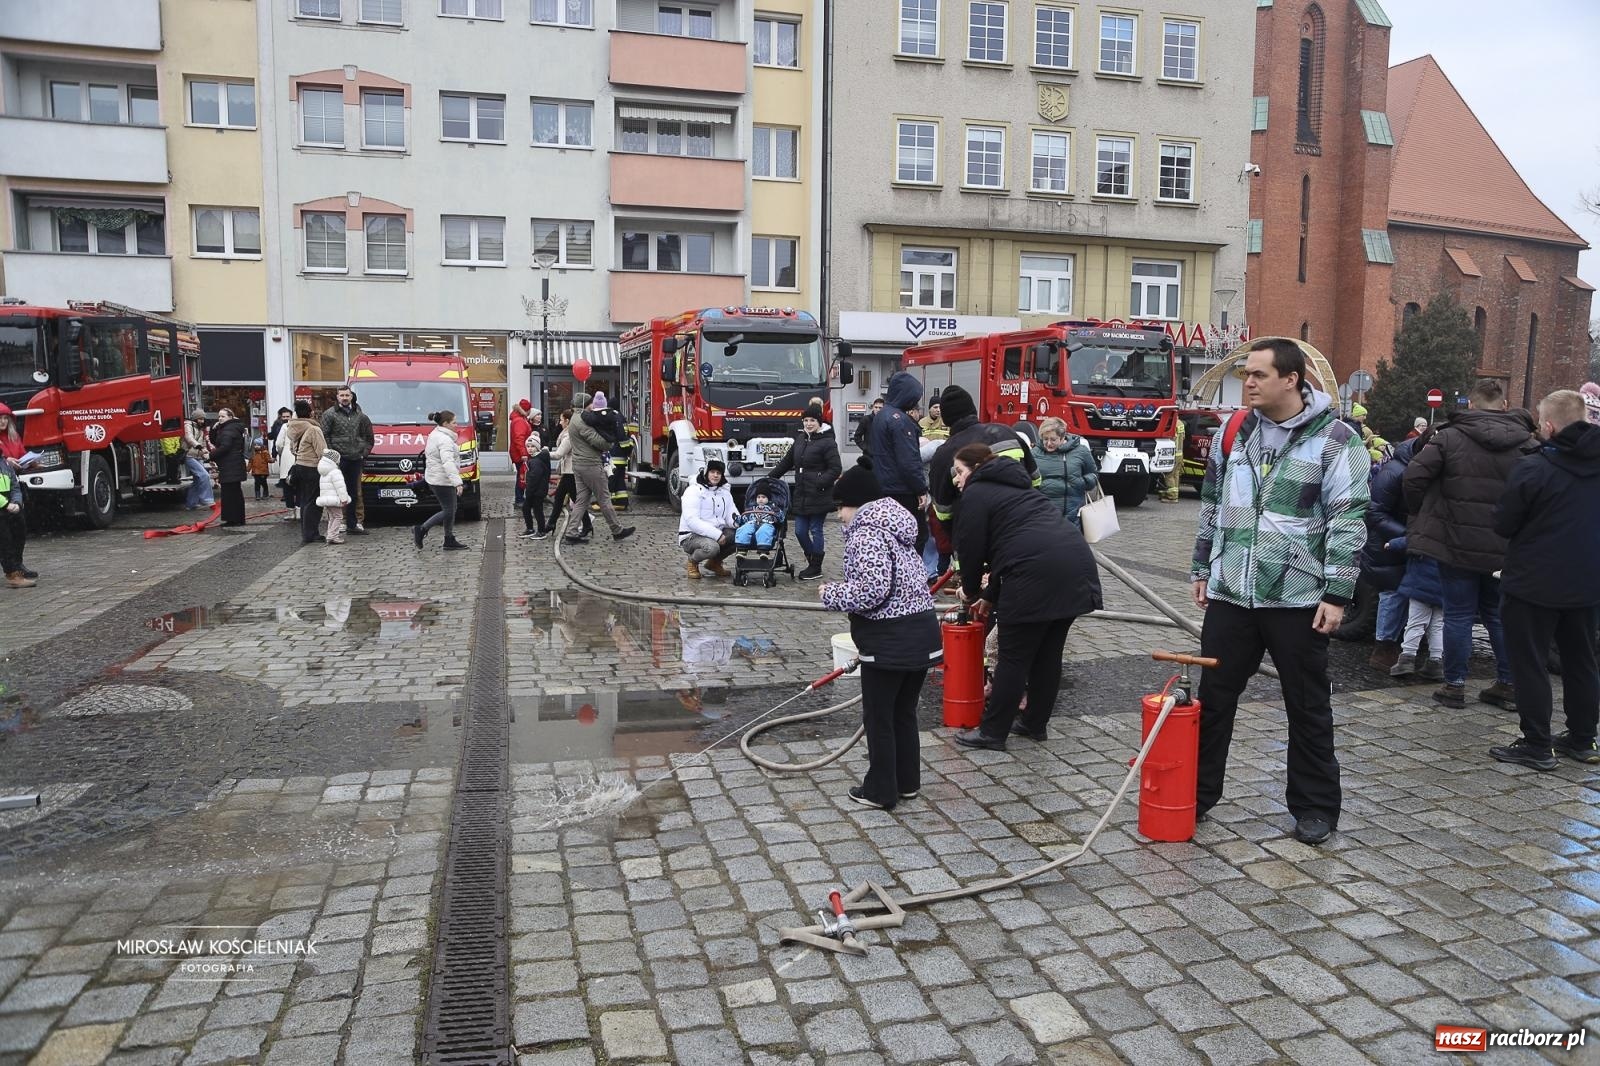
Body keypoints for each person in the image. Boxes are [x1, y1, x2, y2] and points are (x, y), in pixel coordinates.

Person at [1188, 338, 1370, 846]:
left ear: (1291, 379)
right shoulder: (1232, 430)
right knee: (1214, 698)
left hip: (1297, 598)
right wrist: (1202, 566)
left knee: (1307, 704)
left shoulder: (1335, 440)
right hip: (1231, 594)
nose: (1247, 382)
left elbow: (1349, 520)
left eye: (1259, 375)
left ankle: (1314, 807)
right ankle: (1196, 795)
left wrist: (1337, 593)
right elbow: (1211, 503)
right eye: (1246, 374)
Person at [948, 443, 1102, 749]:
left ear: (976, 469)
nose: (956, 479)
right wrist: (990, 595)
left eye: (960, 471)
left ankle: (992, 732)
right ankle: (1034, 723)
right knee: (1047, 653)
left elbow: (972, 547)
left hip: (1037, 576)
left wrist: (970, 589)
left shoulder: (977, 494)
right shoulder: (1022, 491)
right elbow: (1015, 548)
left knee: (1013, 657)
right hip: (1075, 568)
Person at [1402, 377, 1538, 711]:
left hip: (1454, 542)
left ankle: (1454, 687)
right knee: (1498, 615)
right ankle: (1507, 684)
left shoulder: (1449, 437)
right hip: (1505, 548)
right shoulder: (1528, 443)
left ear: (1471, 405)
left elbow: (1413, 478)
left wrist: (1423, 513)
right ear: (1504, 405)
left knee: (1458, 615)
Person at [819, 463, 942, 809]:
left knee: (880, 715)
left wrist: (831, 594)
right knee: (904, 712)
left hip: (890, 639)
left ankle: (881, 790)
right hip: (921, 633)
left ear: (855, 504)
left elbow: (871, 591)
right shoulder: (898, 530)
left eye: (840, 507)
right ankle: (907, 783)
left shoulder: (866, 534)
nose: (840, 515)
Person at [1489, 389, 1600, 769]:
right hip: (1587, 581)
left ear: (1549, 426)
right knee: (1582, 660)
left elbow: (1504, 522)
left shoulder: (1534, 467)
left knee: (1530, 661)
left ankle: (1537, 743)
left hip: (1534, 581)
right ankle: (1583, 739)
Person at [927, 384, 1040, 536]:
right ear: (973, 410)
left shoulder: (944, 454)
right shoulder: (1007, 432)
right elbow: (1036, 480)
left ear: (946, 420)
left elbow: (943, 512)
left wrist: (960, 539)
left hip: (975, 537)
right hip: (1022, 528)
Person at [1360, 432, 1430, 670]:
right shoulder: (1395, 471)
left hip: (1409, 540)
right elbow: (1375, 512)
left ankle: (1401, 645)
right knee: (1393, 593)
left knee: (1407, 593)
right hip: (1388, 543)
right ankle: (1384, 646)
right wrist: (1406, 536)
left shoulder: (1419, 467)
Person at [769, 400, 842, 581]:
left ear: (819, 422)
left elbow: (835, 468)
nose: (809, 423)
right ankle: (812, 559)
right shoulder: (800, 439)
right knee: (800, 531)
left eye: (812, 420)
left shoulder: (828, 442)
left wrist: (820, 481)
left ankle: (816, 566)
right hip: (802, 493)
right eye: (806, 420)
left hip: (820, 493)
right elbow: (787, 461)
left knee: (816, 529)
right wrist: (770, 479)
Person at [866, 373, 929, 553]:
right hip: (902, 490)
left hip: (884, 485)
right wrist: (920, 489)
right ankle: (911, 576)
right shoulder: (900, 421)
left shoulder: (882, 416)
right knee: (917, 535)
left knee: (891, 536)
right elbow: (908, 461)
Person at [563, 391, 635, 545]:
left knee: (581, 500)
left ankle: (571, 532)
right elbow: (597, 440)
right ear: (584, 405)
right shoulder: (580, 420)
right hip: (590, 464)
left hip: (579, 464)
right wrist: (610, 440)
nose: (592, 406)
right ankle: (617, 530)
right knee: (604, 498)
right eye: (590, 403)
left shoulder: (575, 419)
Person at [321, 387, 373, 537]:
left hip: (355, 458)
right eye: (342, 395)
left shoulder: (360, 415)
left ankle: (352, 524)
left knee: (354, 493)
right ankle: (338, 523)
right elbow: (324, 437)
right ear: (337, 397)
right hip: (339, 460)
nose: (344, 397)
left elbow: (368, 437)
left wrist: (363, 452)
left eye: (347, 395)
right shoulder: (329, 414)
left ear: (352, 397)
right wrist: (333, 457)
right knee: (337, 492)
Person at [414, 410, 468, 551]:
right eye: (454, 422)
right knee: (449, 510)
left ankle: (448, 539)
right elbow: (448, 462)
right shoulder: (444, 440)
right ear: (445, 424)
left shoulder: (435, 434)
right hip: (442, 480)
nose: (457, 425)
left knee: (450, 509)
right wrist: (457, 482)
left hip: (435, 477)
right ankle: (422, 529)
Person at [1388, 543, 1444, 680]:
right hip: (1445, 586)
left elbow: (1413, 539)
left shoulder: (1431, 526)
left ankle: (1407, 659)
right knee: (1438, 626)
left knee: (1416, 623)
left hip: (1422, 584)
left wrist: (1393, 544)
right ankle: (1435, 662)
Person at [678, 459, 738, 579]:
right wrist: (717, 535)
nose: (715, 475)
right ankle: (692, 562)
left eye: (719, 473)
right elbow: (692, 521)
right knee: (712, 548)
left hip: (715, 532)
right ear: (706, 473)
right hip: (691, 535)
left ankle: (714, 563)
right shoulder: (693, 491)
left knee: (740, 536)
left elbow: (731, 516)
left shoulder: (725, 493)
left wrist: (742, 523)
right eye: (712, 472)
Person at [1033, 416, 1098, 525]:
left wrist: (1082, 482)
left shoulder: (1081, 451)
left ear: (1063, 437)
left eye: (1053, 439)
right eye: (1045, 439)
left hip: (1073, 514)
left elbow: (1093, 474)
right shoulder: (1034, 453)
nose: (1048, 443)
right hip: (1043, 514)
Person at [282, 401, 327, 545]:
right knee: (314, 502)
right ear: (310, 412)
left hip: (299, 466)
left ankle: (306, 532)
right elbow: (322, 452)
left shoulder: (293, 427)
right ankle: (311, 534)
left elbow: (292, 449)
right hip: (312, 468)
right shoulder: (313, 429)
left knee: (304, 501)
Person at [0, 405, 36, 582]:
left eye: (6, 418)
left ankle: (17, 565)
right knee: (5, 537)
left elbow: (22, 455)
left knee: (19, 531)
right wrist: (6, 461)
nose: (3, 422)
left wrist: (32, 463)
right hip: (3, 497)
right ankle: (12, 570)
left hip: (14, 488)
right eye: (0, 418)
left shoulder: (13, 437)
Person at [548, 410, 587, 539]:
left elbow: (559, 454)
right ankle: (551, 523)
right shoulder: (566, 433)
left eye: (561, 420)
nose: (559, 422)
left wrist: (542, 454)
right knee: (561, 498)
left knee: (573, 499)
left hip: (571, 471)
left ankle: (551, 524)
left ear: (567, 421)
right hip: (568, 470)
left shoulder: (569, 435)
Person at [209, 407, 248, 527]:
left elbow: (225, 447)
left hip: (230, 465)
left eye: (223, 416)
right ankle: (237, 518)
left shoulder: (229, 429)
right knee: (234, 493)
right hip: (232, 465)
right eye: (219, 416)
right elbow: (216, 442)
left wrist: (210, 455)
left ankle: (233, 519)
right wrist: (214, 429)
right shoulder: (229, 428)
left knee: (230, 494)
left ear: (230, 417)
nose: (220, 418)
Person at [518, 408, 552, 541]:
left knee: (537, 510)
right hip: (536, 490)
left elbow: (534, 478)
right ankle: (531, 529)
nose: (530, 449)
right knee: (527, 508)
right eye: (528, 446)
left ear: (537, 447)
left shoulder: (536, 461)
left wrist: (529, 490)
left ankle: (541, 531)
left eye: (532, 446)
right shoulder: (534, 459)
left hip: (537, 491)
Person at [0, 452, 32, 588]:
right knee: (5, 541)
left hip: (8, 507)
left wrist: (17, 503)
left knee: (19, 534)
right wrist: (7, 505)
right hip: (4, 507)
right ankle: (13, 573)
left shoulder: (5, 463)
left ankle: (16, 566)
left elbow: (14, 486)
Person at [316, 447, 352, 544]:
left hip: (326, 499)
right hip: (334, 499)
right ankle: (333, 536)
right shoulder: (335, 472)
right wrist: (344, 499)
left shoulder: (323, 472)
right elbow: (340, 487)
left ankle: (330, 535)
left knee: (332, 517)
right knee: (338, 517)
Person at [182, 409, 213, 511]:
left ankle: (190, 504)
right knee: (204, 475)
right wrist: (199, 447)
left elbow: (203, 443)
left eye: (203, 419)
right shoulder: (188, 425)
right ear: (195, 418)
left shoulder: (200, 428)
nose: (202, 421)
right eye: (200, 418)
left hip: (197, 456)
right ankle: (207, 499)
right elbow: (189, 438)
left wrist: (206, 455)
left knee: (197, 481)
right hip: (189, 455)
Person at [510, 399, 533, 508]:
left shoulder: (518, 419)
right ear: (526, 410)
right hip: (520, 454)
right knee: (522, 476)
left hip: (518, 453)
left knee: (521, 475)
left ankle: (520, 498)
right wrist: (524, 454)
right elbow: (519, 439)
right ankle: (519, 499)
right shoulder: (519, 421)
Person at [1160, 414, 1185, 503]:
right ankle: (1175, 494)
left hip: (1173, 454)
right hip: (1180, 453)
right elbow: (1183, 437)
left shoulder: (1173, 424)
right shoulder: (1181, 423)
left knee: (1169, 475)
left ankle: (1172, 497)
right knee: (1176, 474)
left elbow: (1171, 437)